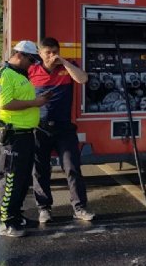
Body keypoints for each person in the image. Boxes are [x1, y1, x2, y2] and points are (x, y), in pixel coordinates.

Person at [28, 37, 94, 223]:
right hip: (39, 128)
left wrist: (64, 62)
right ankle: (44, 209)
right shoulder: (31, 71)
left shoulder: (68, 67)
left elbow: (83, 79)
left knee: (72, 167)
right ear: (40, 54)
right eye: (47, 53)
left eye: (55, 52)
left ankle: (80, 208)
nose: (52, 56)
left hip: (64, 127)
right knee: (40, 169)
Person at [0, 40, 51, 237]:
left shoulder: (19, 75)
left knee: (23, 179)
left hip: (25, 134)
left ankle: (16, 215)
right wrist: (37, 102)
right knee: (11, 179)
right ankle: (5, 222)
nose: (33, 64)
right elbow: (5, 104)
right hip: (11, 135)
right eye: (31, 60)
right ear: (20, 55)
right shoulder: (4, 75)